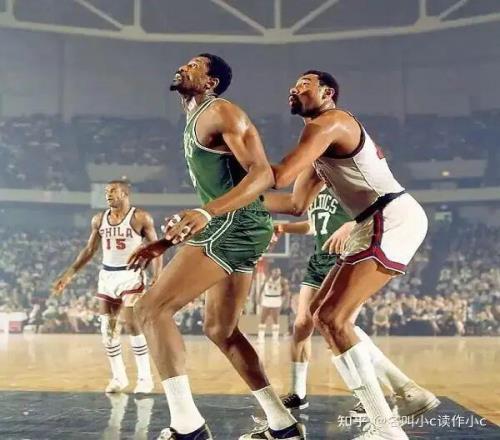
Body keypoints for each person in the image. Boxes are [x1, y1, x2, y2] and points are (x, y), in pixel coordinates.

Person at [127, 54, 303, 440]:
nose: (183, 66)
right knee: (220, 329)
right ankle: (282, 424)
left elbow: (263, 175)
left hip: (234, 224)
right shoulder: (194, 118)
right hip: (238, 225)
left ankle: (187, 426)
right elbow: (225, 187)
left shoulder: (221, 112)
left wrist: (207, 212)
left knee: (150, 310)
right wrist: (166, 241)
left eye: (194, 65)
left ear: (211, 83)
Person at [271, 70, 439, 439]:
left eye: (304, 84)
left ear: (327, 92)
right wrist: (228, 204)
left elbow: (279, 175)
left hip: (389, 215)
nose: (294, 89)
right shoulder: (318, 149)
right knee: (320, 314)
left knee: (333, 318)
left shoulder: (331, 123)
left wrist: (237, 169)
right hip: (373, 220)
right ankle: (408, 392)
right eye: (292, 85)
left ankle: (386, 428)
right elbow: (295, 204)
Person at [52, 180, 161, 394]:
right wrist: (70, 273)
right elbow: (89, 249)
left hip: (131, 275)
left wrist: (158, 275)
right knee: (107, 330)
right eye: (106, 192)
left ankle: (145, 379)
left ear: (125, 194)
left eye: (112, 191)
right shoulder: (99, 219)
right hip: (107, 276)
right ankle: (119, 378)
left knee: (131, 324)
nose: (108, 194)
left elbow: (156, 248)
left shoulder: (140, 217)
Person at [264, 186, 353, 410]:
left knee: (340, 333)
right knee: (302, 325)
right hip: (318, 261)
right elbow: (315, 225)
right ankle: (298, 393)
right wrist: (283, 227)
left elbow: (371, 216)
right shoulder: (313, 192)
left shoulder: (344, 182)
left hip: (344, 260)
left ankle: (366, 395)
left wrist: (351, 225)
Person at [257, 267, 290, 343]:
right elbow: (261, 288)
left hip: (276, 299)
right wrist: (258, 297)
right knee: (262, 319)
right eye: (275, 271)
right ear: (272, 271)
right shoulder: (267, 278)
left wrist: (286, 302)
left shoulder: (282, 280)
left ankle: (275, 339)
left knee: (275, 320)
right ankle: (260, 338)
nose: (276, 273)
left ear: (280, 273)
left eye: (278, 272)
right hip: (267, 299)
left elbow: (286, 292)